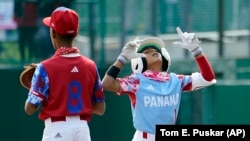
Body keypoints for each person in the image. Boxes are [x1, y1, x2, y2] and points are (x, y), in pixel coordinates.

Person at [101, 27, 216, 141]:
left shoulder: (175, 80)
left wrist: (196, 50)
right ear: (139, 61)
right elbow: (106, 84)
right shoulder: (136, 81)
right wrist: (123, 58)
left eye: (156, 50)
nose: (153, 51)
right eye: (147, 52)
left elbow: (208, 78)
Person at [24, 6, 106, 141]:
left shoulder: (45, 67)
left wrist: (37, 86)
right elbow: (100, 108)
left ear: (53, 33)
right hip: (82, 130)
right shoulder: (90, 66)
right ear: (75, 33)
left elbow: (30, 109)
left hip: (57, 129)